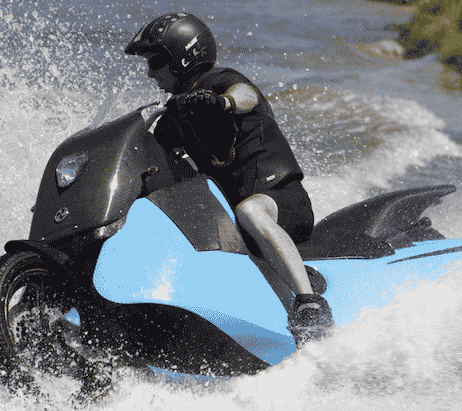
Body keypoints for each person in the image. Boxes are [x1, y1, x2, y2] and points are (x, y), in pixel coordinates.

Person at [125, 13, 333, 345]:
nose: (150, 73)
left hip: (281, 200)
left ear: (183, 58)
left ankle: (310, 304)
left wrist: (223, 102)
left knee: (250, 211)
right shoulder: (175, 115)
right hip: (233, 218)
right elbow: (149, 154)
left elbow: (245, 95)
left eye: (157, 61)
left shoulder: (221, 81)